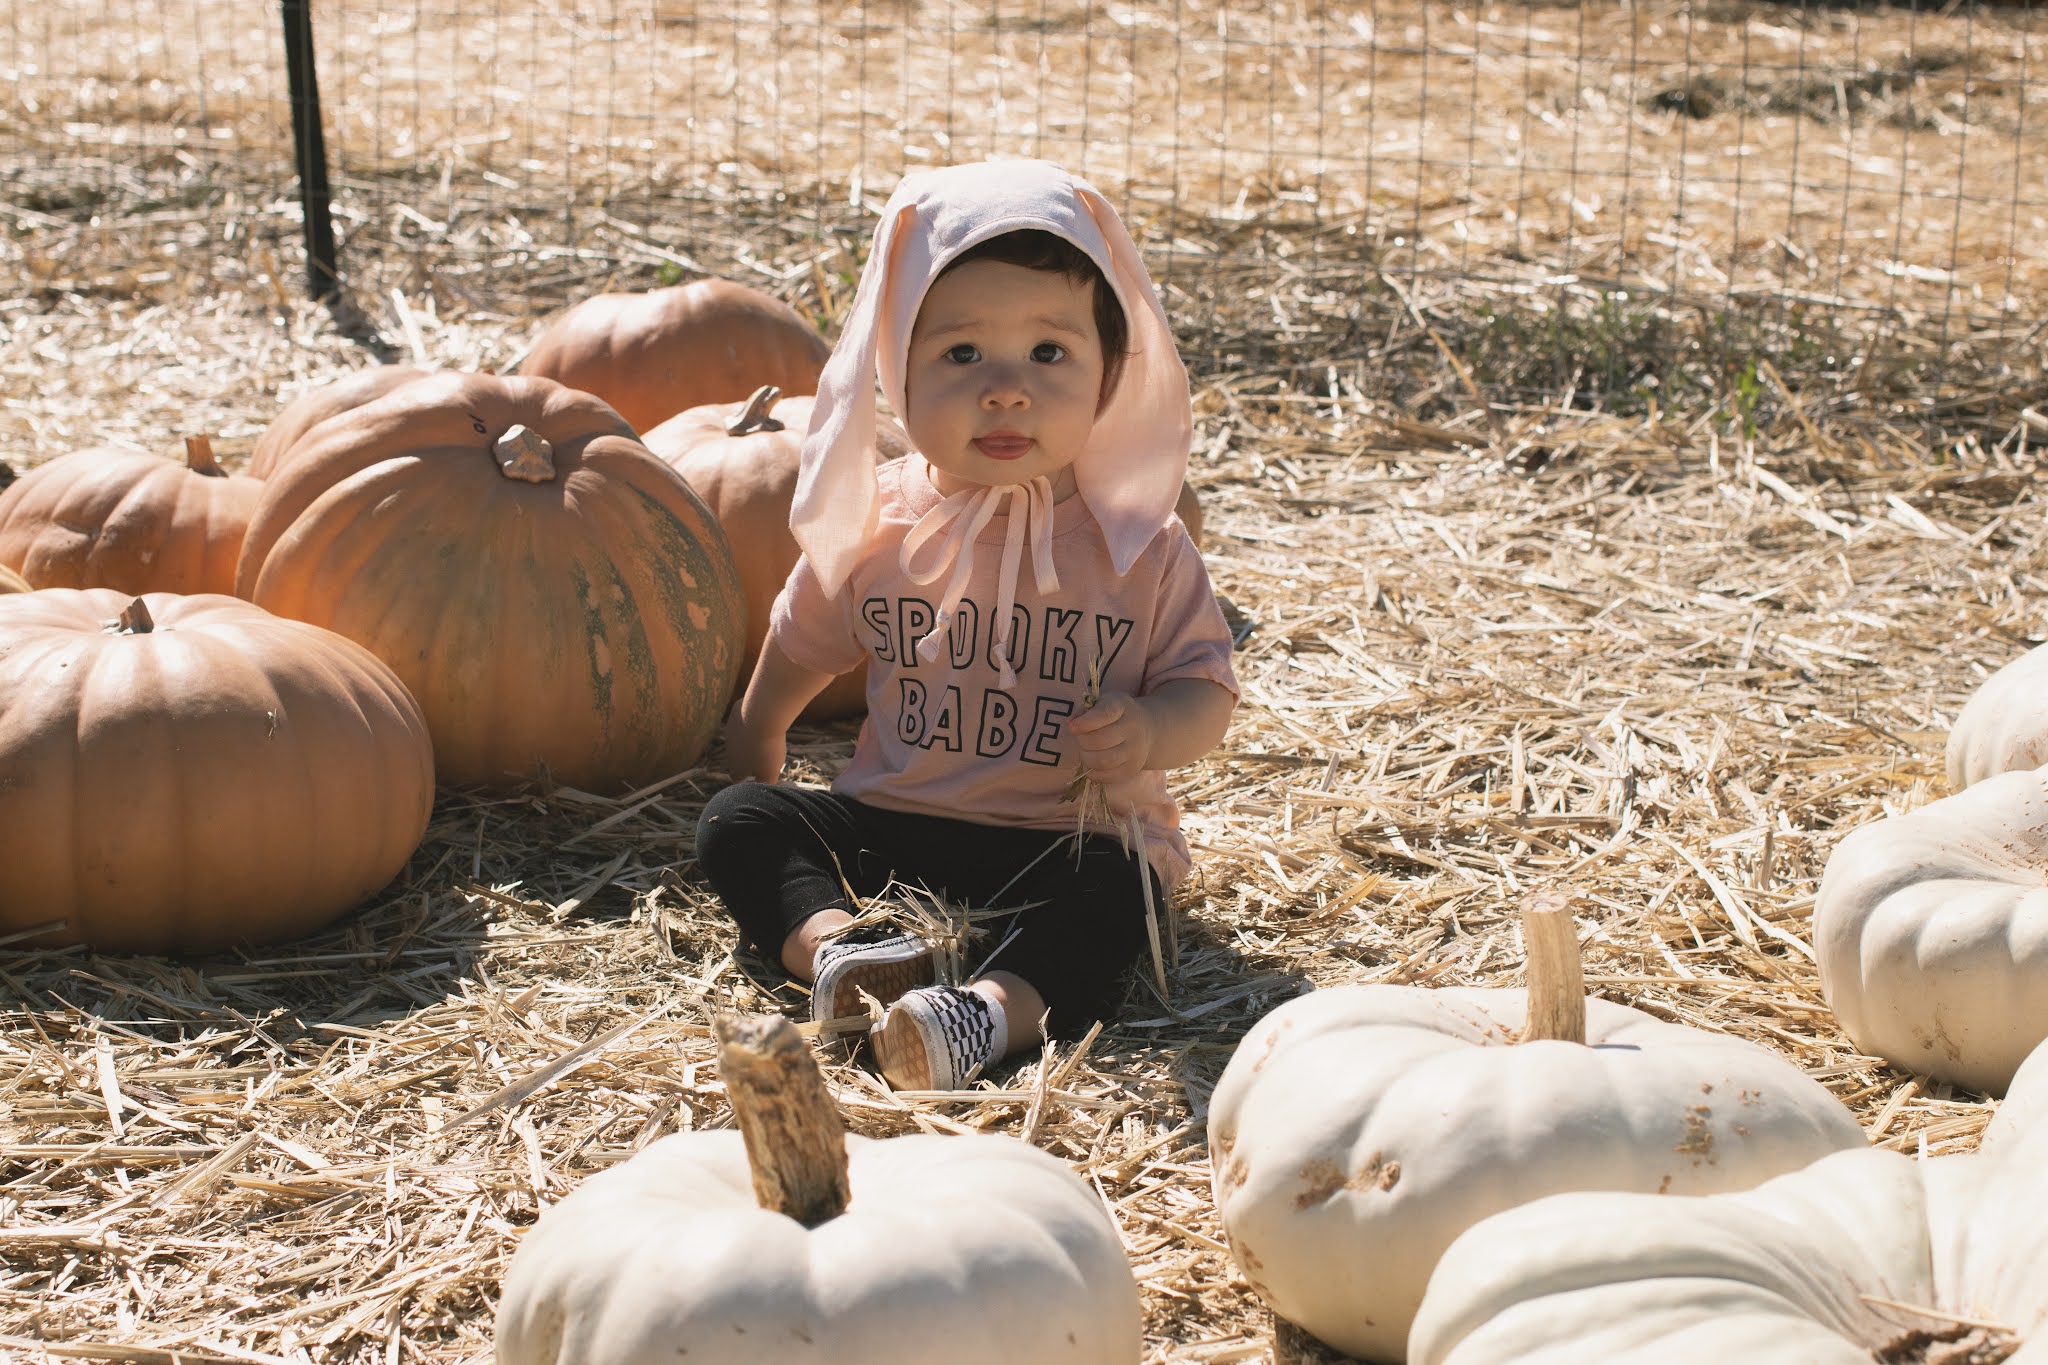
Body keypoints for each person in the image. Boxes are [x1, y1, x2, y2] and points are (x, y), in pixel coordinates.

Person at [693, 159, 1239, 1091]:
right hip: (892, 824)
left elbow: (1207, 690)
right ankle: (845, 952)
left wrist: (1152, 730)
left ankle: (981, 1015)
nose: (1006, 390)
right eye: (961, 355)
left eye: (1049, 353)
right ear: (895, 371)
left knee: (1125, 895)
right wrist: (759, 726)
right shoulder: (878, 519)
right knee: (738, 822)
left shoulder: (1140, 543)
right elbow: (800, 637)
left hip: (1064, 837)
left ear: (1109, 374)